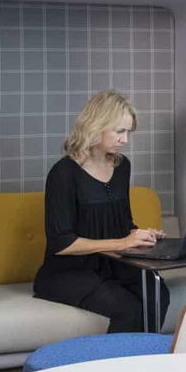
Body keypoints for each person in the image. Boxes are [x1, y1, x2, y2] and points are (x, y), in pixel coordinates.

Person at [32, 90, 170, 332]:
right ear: (95, 127)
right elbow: (61, 243)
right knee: (126, 308)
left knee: (157, 293)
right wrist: (122, 242)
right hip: (68, 273)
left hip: (112, 264)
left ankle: (145, 363)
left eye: (128, 132)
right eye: (119, 131)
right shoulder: (63, 173)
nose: (125, 140)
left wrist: (140, 235)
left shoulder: (122, 166)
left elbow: (123, 222)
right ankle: (117, 368)